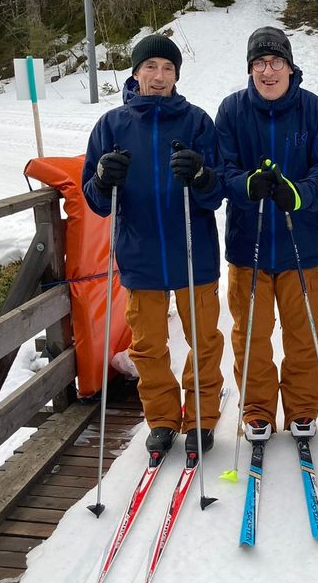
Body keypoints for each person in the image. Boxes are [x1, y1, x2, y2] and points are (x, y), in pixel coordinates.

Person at [82, 33, 225, 458]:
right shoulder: (112, 126)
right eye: (151, 67)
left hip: (193, 253)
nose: (159, 76)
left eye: (167, 69)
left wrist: (200, 176)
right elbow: (95, 200)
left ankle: (201, 417)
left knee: (204, 341)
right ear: (135, 73)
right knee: (147, 346)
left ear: (176, 76)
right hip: (140, 255)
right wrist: (104, 178)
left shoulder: (197, 122)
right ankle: (161, 419)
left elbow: (217, 193)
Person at [215, 26, 318, 442]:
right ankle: (257, 410)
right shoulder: (232, 110)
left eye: (275, 62)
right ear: (250, 68)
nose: (268, 71)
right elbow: (223, 169)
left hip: (300, 247)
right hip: (247, 247)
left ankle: (302, 408)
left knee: (303, 335)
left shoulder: (314, 110)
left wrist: (298, 194)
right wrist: (247, 185)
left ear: (289, 66)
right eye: (259, 63)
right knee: (251, 336)